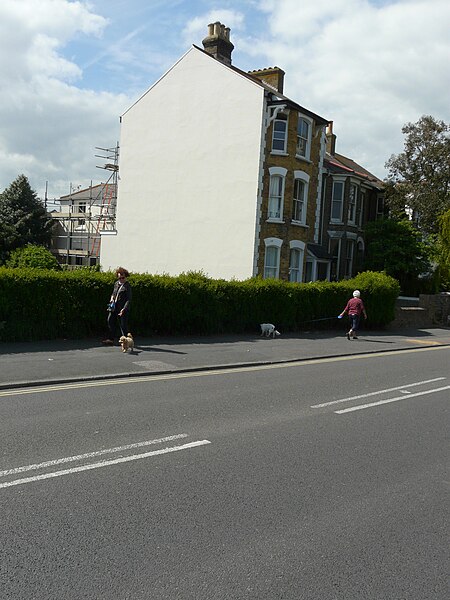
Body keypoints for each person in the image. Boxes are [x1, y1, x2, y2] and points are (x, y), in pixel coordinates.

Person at [102, 267, 132, 345]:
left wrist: (124, 309)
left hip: (122, 308)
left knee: (123, 325)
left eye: (123, 278)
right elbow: (114, 293)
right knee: (110, 320)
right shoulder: (116, 283)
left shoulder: (127, 286)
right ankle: (110, 339)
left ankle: (127, 341)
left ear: (126, 277)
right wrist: (112, 298)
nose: (121, 279)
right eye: (119, 278)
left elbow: (128, 299)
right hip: (114, 307)